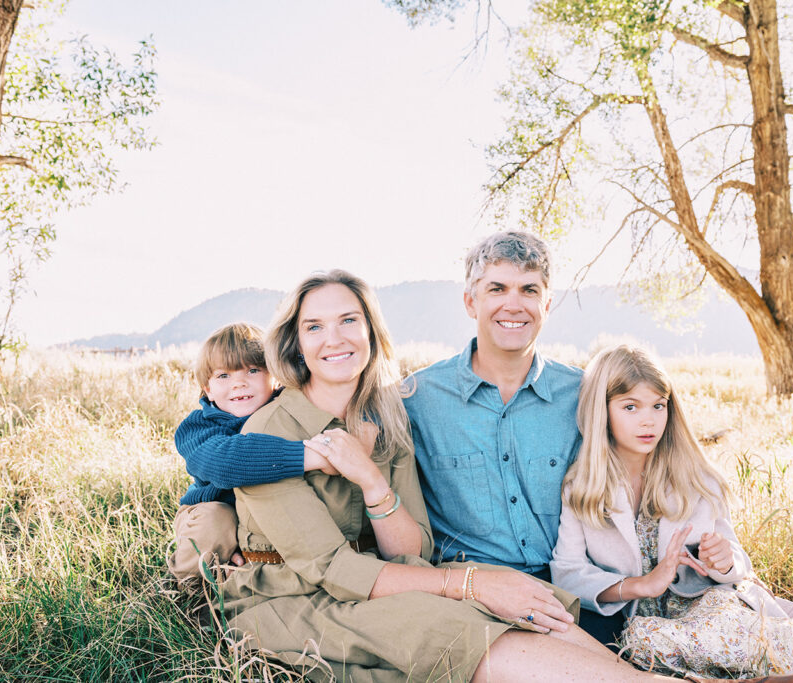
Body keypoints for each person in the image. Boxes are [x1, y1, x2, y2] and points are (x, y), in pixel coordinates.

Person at [215, 269, 735, 683]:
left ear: (371, 332)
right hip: (292, 598)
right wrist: (469, 584)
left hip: (380, 578)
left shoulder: (385, 417)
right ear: (294, 343)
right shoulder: (270, 431)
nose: (335, 338)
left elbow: (408, 549)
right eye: (314, 327)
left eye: (350, 321)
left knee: (536, 601)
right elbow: (333, 570)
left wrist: (372, 480)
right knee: (453, 624)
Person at [551, 344, 793, 683]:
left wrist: (723, 561)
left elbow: (737, 561)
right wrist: (640, 585)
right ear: (601, 411)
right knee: (643, 640)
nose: (648, 419)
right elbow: (567, 572)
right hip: (644, 621)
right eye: (630, 407)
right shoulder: (581, 487)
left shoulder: (695, 477)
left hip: (706, 602)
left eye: (658, 405)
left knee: (726, 623)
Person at [402, 230, 626, 643]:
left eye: (528, 290)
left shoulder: (584, 396)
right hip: (469, 599)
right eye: (497, 288)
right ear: (471, 301)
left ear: (547, 303)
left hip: (572, 590)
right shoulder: (415, 400)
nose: (513, 304)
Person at [167, 322, 342, 584]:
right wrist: (308, 456)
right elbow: (225, 463)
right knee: (215, 522)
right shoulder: (198, 427)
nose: (239, 384)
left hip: (263, 519)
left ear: (275, 376)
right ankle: (187, 587)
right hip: (214, 515)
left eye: (252, 370)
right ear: (207, 389)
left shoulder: (284, 414)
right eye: (223, 376)